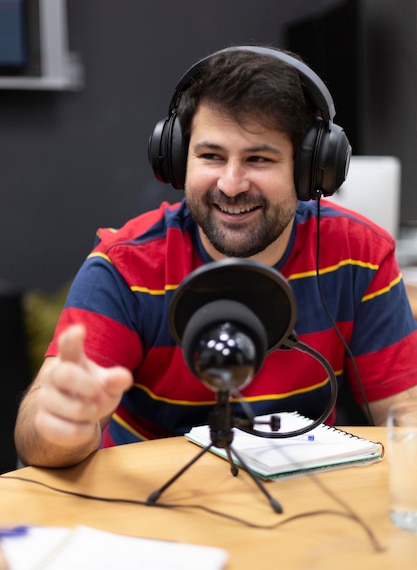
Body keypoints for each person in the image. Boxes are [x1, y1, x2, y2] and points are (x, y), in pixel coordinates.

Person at [15, 45, 417, 468]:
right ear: (176, 158)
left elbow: (406, 416)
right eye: (211, 156)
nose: (230, 183)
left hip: (305, 508)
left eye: (258, 158)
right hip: (150, 511)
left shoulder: (360, 254)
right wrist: (60, 425)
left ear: (308, 171)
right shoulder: (126, 267)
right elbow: (37, 441)